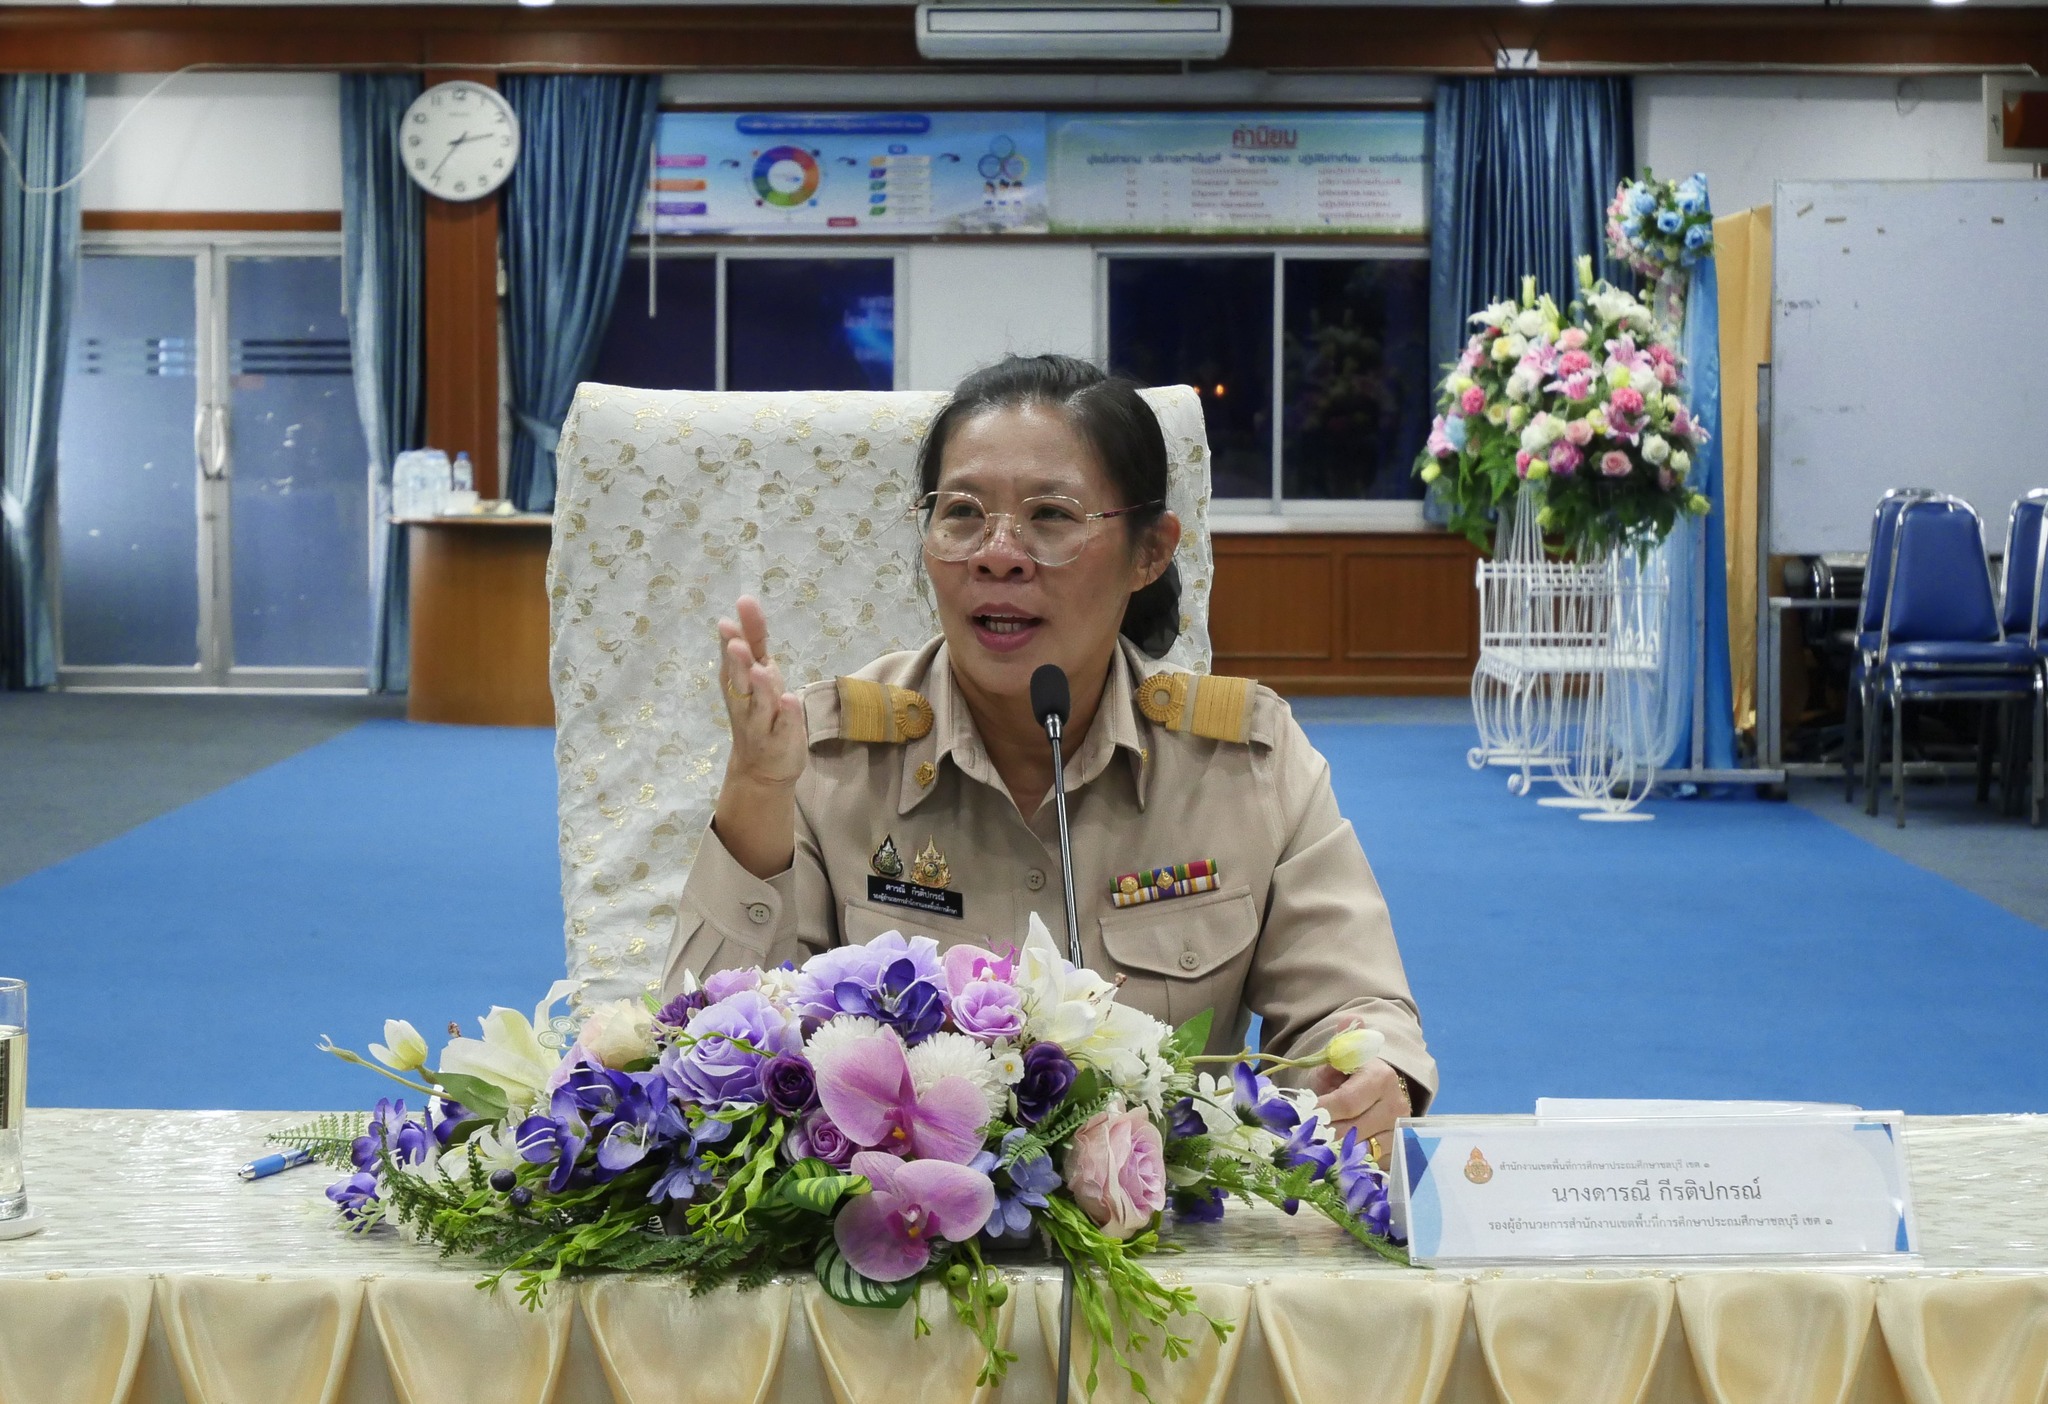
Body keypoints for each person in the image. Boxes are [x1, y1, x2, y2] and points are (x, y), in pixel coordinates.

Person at [663, 354, 1435, 1157]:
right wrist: (756, 789)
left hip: (1162, 1224)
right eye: (963, 514)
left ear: (1150, 551)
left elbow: (1353, 1008)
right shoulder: (827, 758)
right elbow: (707, 1052)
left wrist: (1370, 1076)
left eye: (1052, 517)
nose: (998, 553)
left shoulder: (1245, 764)